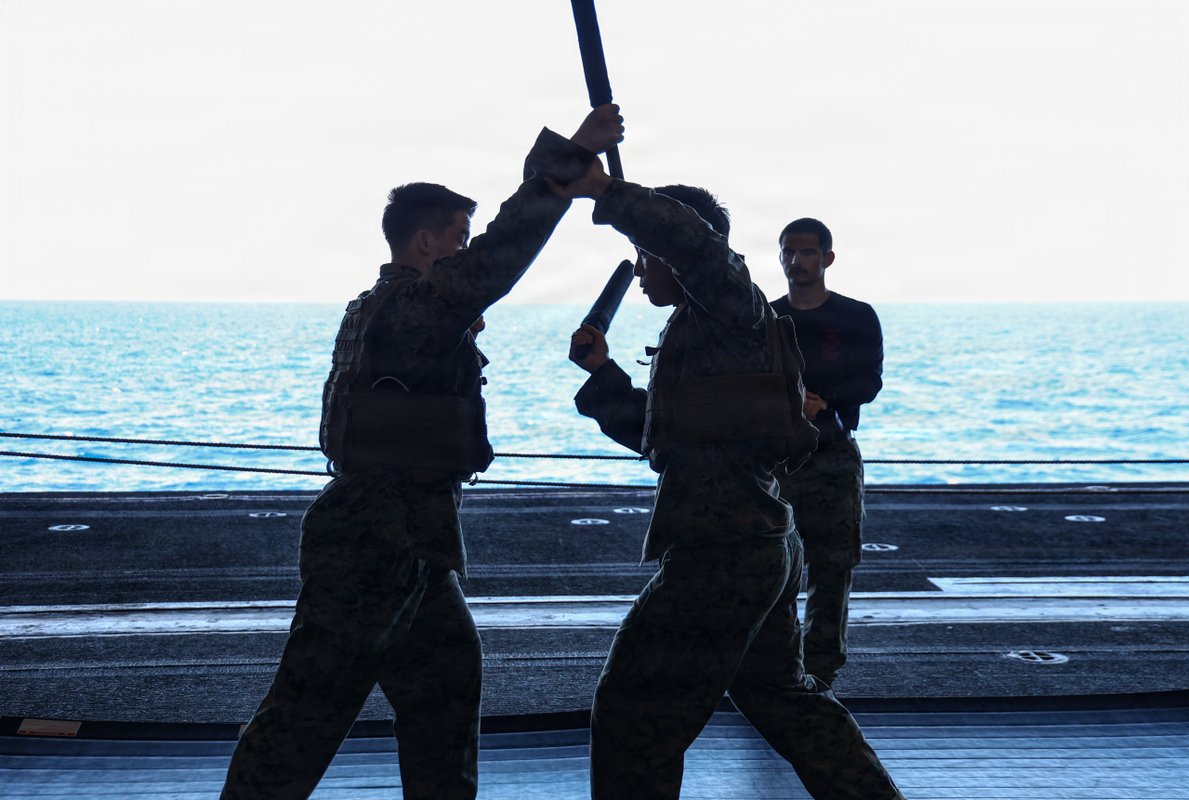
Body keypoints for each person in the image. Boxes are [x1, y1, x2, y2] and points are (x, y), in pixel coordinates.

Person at [219, 104, 624, 800]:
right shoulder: (414, 309)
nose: (467, 252)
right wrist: (568, 161)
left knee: (446, 685)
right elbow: (500, 260)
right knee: (307, 710)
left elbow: (477, 276)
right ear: (429, 245)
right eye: (458, 240)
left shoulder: (379, 305)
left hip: (414, 540)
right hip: (378, 540)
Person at [564, 167, 904, 799]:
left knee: (634, 714)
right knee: (785, 699)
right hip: (756, 542)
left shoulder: (731, 306)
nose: (639, 270)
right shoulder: (702, 329)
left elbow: (692, 244)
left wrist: (607, 191)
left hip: (722, 551)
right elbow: (663, 433)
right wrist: (606, 374)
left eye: (644, 255)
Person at [772, 217, 884, 689]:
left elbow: (870, 382)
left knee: (833, 567)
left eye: (808, 253)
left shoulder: (857, 316)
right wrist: (790, 398)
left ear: (828, 258)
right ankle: (773, 664)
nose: (798, 262)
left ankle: (821, 671)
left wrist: (822, 399)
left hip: (834, 454)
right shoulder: (769, 318)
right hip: (777, 459)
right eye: (789, 253)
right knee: (773, 569)